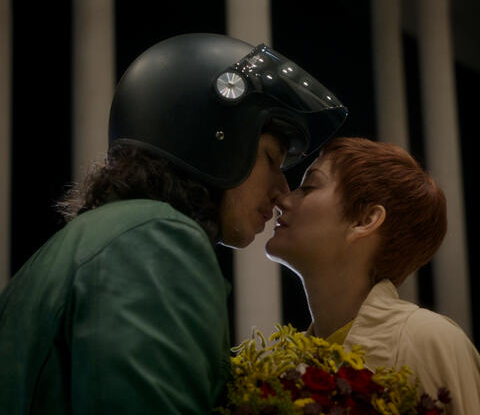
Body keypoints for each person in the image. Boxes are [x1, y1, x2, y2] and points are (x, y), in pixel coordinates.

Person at [0, 33, 347, 414]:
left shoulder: (108, 237)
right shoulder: (152, 239)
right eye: (270, 160)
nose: (282, 191)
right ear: (217, 139)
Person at [266, 136, 480, 414]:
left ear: (364, 221)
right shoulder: (287, 365)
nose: (282, 199)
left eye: (308, 187)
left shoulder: (428, 340)